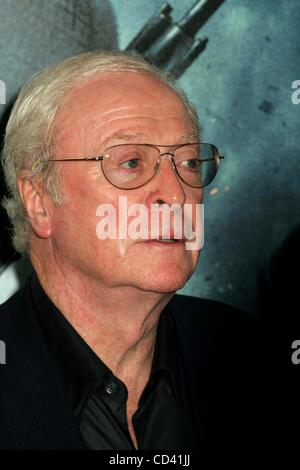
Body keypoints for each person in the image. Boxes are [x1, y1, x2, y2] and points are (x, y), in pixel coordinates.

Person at [0, 51, 266, 450]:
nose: (176, 193)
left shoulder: (254, 358)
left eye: (190, 162)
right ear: (39, 200)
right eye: (130, 162)